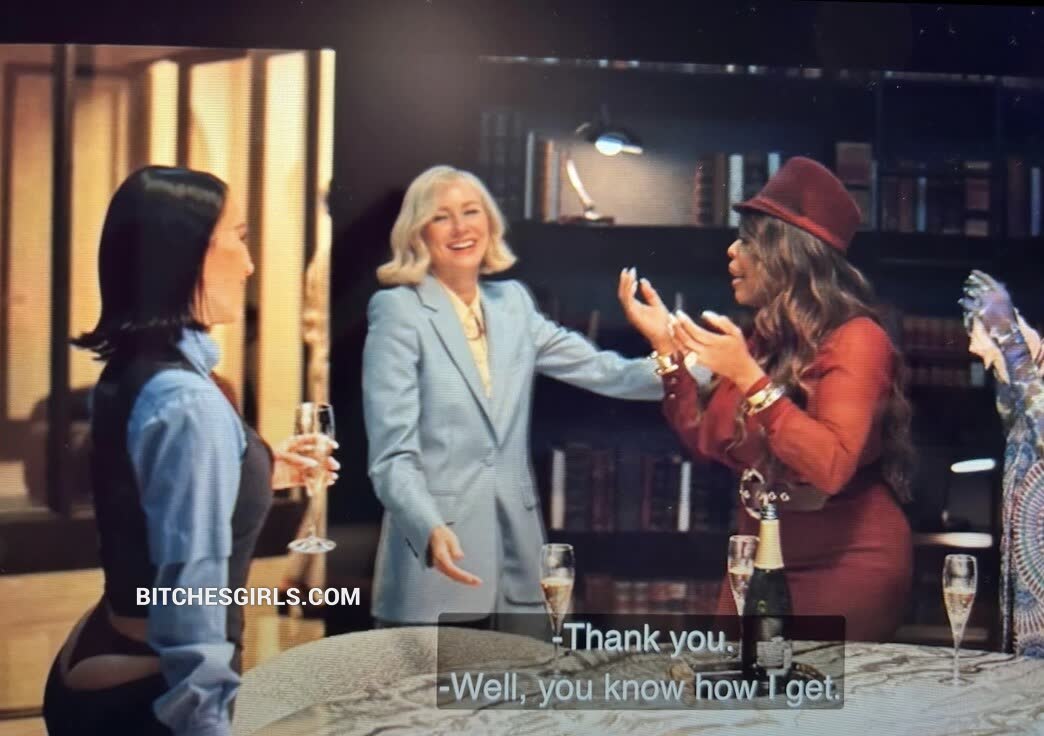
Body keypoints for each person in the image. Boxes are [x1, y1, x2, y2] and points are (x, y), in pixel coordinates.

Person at [43, 166, 338, 736]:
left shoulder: (140, 365)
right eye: (239, 238)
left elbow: (151, 491)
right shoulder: (187, 402)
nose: (249, 264)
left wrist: (257, 469)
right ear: (186, 254)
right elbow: (191, 598)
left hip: (104, 648)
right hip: (147, 689)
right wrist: (207, 721)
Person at [618, 156, 916, 641]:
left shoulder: (859, 339)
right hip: (759, 556)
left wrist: (749, 378)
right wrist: (667, 352)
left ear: (787, 254)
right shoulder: (764, 343)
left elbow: (831, 465)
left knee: (810, 690)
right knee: (735, 686)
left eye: (748, 241)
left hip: (847, 564)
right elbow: (706, 440)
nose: (732, 251)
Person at [362, 164, 674, 626]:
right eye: (441, 217)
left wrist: (681, 361)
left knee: (526, 673)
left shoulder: (513, 304)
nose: (461, 227)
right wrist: (427, 526)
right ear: (418, 233)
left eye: (471, 211)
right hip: (436, 564)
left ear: (490, 222)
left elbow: (605, 371)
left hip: (520, 564)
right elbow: (392, 457)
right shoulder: (398, 311)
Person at [961, 269, 1044, 657]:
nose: (972, 347)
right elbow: (1017, 419)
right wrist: (1013, 357)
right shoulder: (1028, 381)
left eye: (978, 333)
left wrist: (1011, 341)